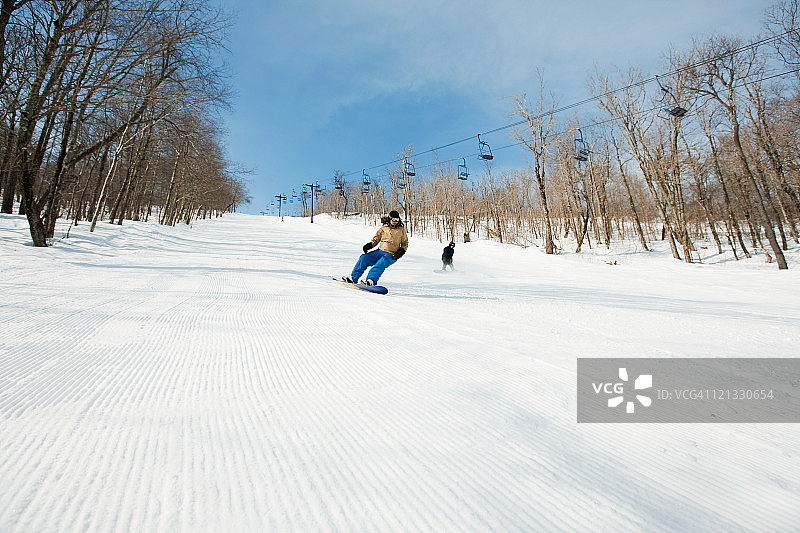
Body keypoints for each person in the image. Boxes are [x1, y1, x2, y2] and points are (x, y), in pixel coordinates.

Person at [344, 210, 408, 285]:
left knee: (380, 264)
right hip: (379, 251)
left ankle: (371, 280)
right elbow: (376, 239)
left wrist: (401, 252)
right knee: (363, 258)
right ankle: (353, 278)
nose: (395, 222)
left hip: (391, 254)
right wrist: (369, 245)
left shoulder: (401, 230)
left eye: (397, 220)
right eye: (393, 220)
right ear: (390, 219)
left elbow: (405, 243)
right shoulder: (383, 228)